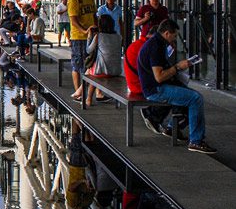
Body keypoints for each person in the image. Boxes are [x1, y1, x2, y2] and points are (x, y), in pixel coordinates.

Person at [136, 19, 216, 154]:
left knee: (188, 95)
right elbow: (159, 76)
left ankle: (171, 128)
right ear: (167, 33)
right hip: (156, 90)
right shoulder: (156, 47)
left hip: (156, 86)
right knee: (195, 98)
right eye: (174, 36)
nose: (174, 39)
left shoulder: (157, 43)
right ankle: (196, 141)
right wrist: (178, 67)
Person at [124, 26, 180, 135]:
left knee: (174, 86)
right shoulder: (149, 47)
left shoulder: (139, 44)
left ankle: (156, 115)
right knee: (175, 90)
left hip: (134, 82)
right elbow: (157, 73)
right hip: (140, 85)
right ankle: (155, 117)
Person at [81, 14, 122, 106]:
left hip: (101, 72)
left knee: (92, 73)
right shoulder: (118, 37)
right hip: (115, 70)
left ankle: (88, 98)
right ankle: (90, 94)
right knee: (95, 69)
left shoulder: (99, 36)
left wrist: (89, 37)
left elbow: (88, 50)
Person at [68, 0, 97, 101]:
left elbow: (94, 16)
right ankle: (78, 92)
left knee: (89, 64)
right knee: (78, 64)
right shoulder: (75, 1)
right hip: (78, 37)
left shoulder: (90, 1)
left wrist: (96, 29)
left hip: (90, 36)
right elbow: (74, 20)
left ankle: (82, 92)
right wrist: (84, 31)